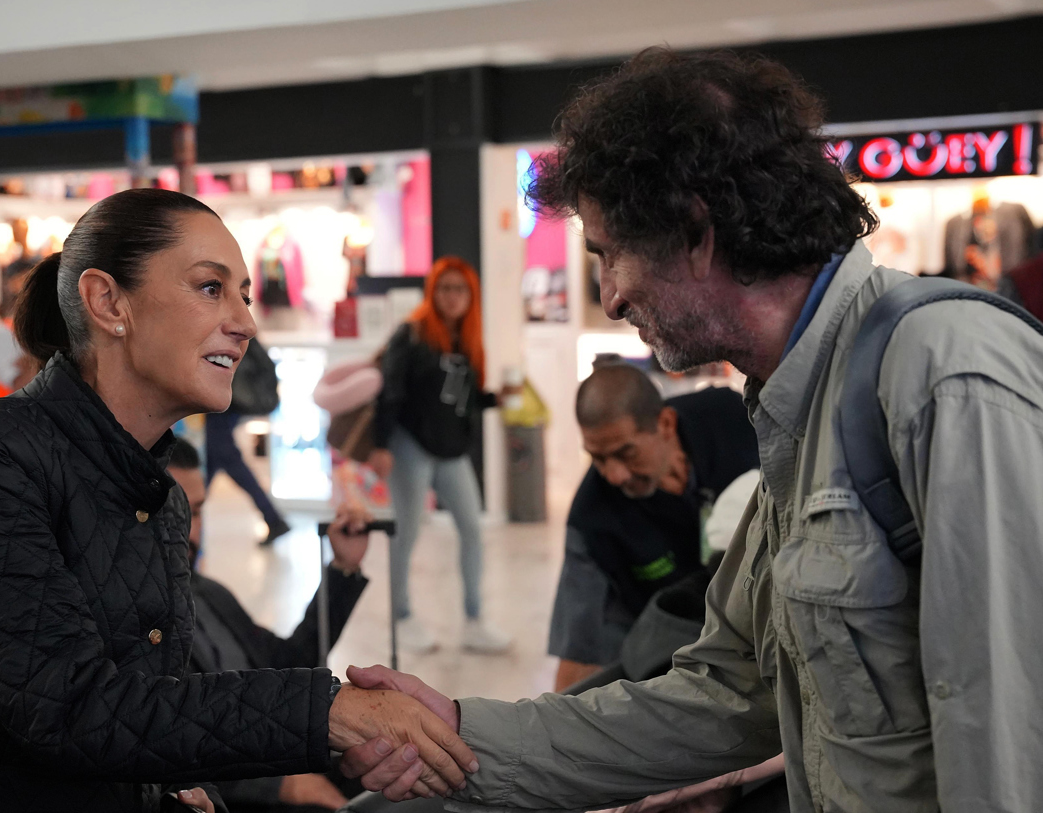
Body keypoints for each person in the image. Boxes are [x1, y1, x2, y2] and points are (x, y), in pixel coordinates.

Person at [335, 47, 1043, 811]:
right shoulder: (795, 405)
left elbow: (1002, 732)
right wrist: (463, 731)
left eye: (610, 255)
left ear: (694, 231)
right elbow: (727, 693)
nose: (608, 298)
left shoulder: (945, 375)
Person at [0, 188, 477, 813]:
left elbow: (144, 706)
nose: (246, 323)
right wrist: (330, 711)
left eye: (245, 296)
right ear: (108, 302)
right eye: (210, 288)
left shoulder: (157, 498)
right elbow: (69, 709)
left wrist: (165, 784)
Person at [167, 438, 367, 813]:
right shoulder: (131, 625)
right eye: (175, 511)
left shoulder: (208, 593)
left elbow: (291, 662)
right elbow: (165, 743)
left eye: (196, 512)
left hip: (277, 749)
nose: (189, 531)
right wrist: (277, 786)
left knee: (392, 767)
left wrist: (343, 568)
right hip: (232, 790)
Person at [549, 362, 758, 691]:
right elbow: (581, 649)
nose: (615, 475)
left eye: (625, 452)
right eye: (598, 458)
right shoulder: (592, 520)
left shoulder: (734, 419)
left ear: (665, 424)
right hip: (680, 644)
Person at [367, 257, 515, 655]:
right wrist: (381, 445)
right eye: (445, 288)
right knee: (408, 532)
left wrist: (491, 399)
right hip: (410, 446)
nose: (452, 297)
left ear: (471, 296)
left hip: (450, 450)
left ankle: (473, 620)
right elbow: (390, 390)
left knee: (472, 527)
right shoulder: (413, 333)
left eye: (460, 289)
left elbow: (457, 401)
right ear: (434, 292)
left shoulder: (465, 339)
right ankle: (402, 617)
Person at [204, 409, 292, 546]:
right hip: (219, 419)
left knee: (227, 465)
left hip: (219, 417)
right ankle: (274, 519)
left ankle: (274, 519)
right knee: (211, 469)